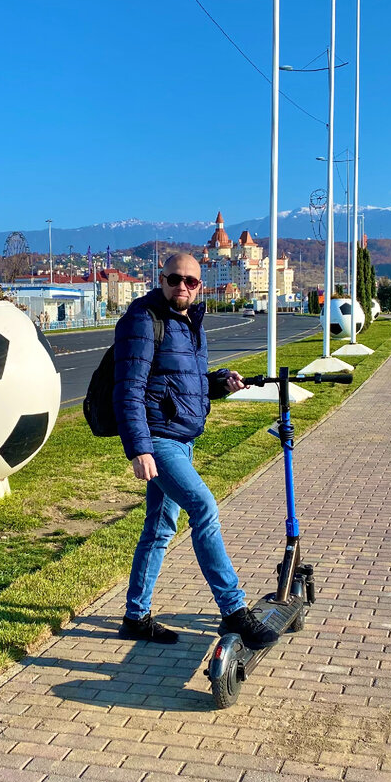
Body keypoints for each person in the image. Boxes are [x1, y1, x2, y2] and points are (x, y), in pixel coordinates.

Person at [112, 253, 281, 649]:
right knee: (204, 507)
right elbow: (129, 389)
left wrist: (219, 382)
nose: (183, 286)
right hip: (159, 440)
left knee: (158, 528)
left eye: (191, 281)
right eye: (175, 279)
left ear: (200, 285)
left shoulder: (190, 323)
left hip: (182, 439)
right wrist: (139, 449)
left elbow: (182, 381)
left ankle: (136, 617)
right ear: (161, 279)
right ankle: (235, 611)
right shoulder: (143, 319)